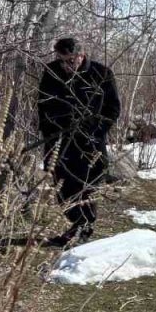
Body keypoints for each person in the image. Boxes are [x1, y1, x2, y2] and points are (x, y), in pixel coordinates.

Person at [37, 37, 120, 245]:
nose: (66, 65)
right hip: (59, 140)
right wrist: (51, 132)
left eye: (71, 60)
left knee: (87, 185)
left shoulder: (102, 74)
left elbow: (112, 110)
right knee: (62, 187)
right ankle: (76, 224)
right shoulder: (51, 71)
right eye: (62, 60)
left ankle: (83, 229)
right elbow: (43, 106)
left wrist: (95, 130)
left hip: (90, 142)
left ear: (81, 56)